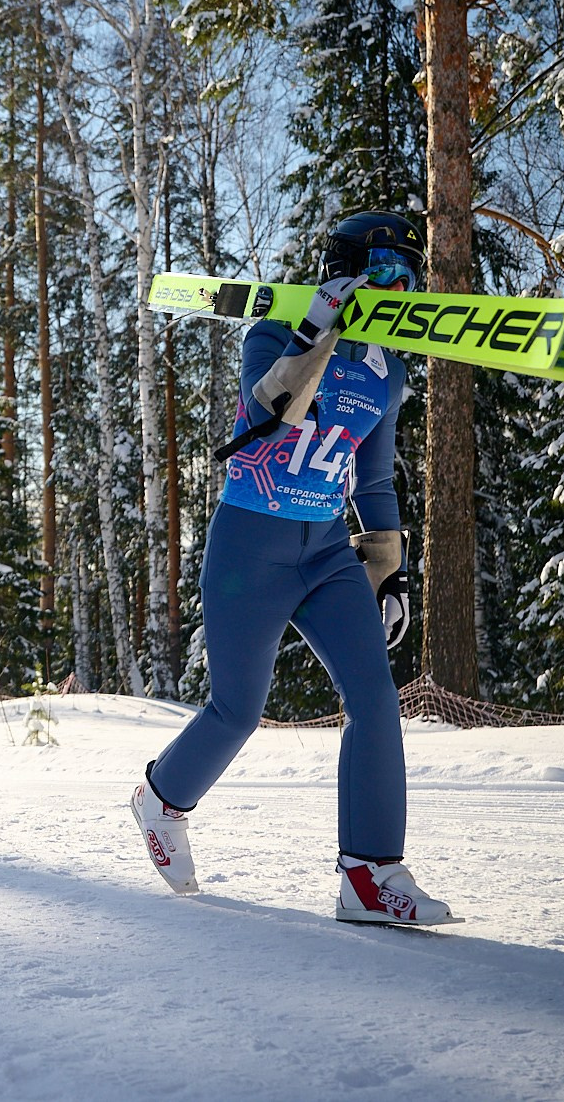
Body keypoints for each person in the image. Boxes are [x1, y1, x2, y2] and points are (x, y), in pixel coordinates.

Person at [130, 211, 454, 926]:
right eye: (386, 277)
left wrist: (390, 568)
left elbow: (372, 478)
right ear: (346, 272)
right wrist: (317, 331)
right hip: (251, 546)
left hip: (327, 552)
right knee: (238, 710)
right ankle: (160, 800)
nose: (399, 293)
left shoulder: (387, 371)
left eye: (410, 279)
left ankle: (369, 874)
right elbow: (270, 413)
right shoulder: (275, 332)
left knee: (376, 699)